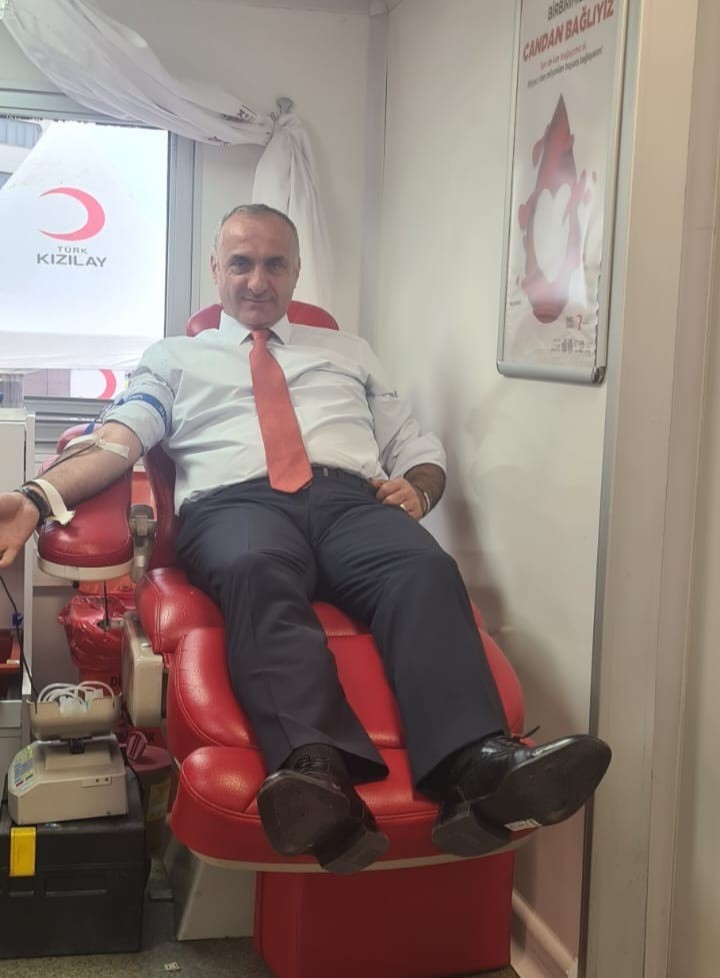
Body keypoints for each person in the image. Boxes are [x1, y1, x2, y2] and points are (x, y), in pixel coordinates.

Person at [0, 203, 610, 874]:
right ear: (215, 268)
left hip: (349, 501)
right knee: (255, 568)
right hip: (237, 505)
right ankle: (316, 775)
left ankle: (477, 768)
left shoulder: (350, 353)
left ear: (295, 272)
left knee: (425, 569)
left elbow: (415, 444)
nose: (256, 281)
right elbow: (117, 443)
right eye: (241, 263)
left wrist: (420, 489)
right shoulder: (173, 359)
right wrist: (35, 497)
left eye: (274, 264)